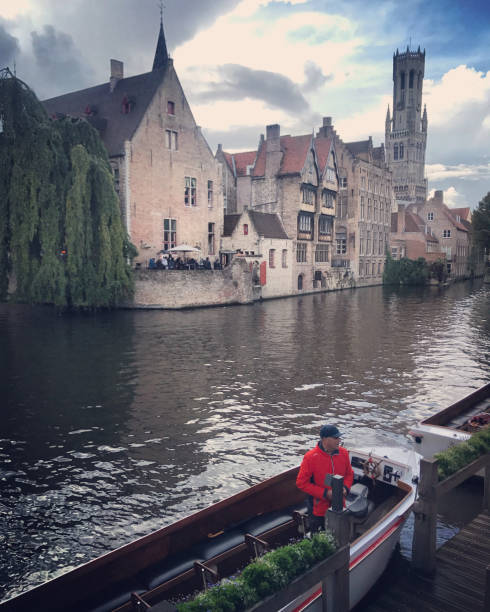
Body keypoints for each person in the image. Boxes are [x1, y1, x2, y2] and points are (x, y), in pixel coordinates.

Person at [296, 424, 353, 532]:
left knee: (339, 534)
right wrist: (325, 493)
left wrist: (345, 488)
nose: (339, 440)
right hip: (318, 510)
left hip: (340, 505)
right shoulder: (310, 457)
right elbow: (301, 483)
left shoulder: (344, 453)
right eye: (336, 438)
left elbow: (349, 474)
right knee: (319, 538)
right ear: (325, 439)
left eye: (339, 437)